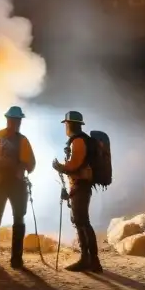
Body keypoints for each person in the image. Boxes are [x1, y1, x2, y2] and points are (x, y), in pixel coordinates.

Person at [0, 106, 36, 269]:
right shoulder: (4, 138)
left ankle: (13, 259)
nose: (16, 123)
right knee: (0, 219)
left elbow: (31, 164)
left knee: (15, 219)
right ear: (9, 120)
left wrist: (15, 167)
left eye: (17, 120)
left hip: (10, 184)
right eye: (14, 120)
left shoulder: (16, 139)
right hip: (6, 184)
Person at [52, 110, 102, 273]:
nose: (65, 127)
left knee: (82, 221)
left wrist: (60, 167)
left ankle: (91, 260)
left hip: (81, 186)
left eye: (66, 124)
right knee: (80, 221)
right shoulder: (82, 140)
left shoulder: (78, 141)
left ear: (70, 124)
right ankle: (88, 259)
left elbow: (75, 165)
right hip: (79, 186)